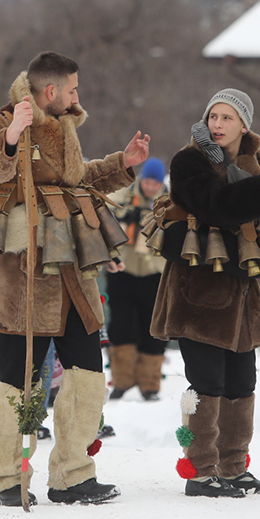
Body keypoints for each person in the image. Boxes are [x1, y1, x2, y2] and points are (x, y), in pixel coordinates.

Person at [0, 51, 150, 506]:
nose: (77, 97)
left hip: (73, 271)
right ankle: (9, 478)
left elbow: (77, 181)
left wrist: (121, 166)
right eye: (72, 89)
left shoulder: (63, 127)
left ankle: (72, 475)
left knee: (88, 371)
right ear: (50, 91)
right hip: (21, 275)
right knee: (16, 376)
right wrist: (10, 138)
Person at [150, 88, 260, 498]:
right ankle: (200, 472)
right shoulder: (189, 161)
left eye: (227, 118)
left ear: (244, 124)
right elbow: (218, 205)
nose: (217, 125)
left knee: (242, 382)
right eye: (213, 116)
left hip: (241, 294)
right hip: (197, 289)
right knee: (207, 382)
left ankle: (234, 467)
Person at [104, 157, 169, 400]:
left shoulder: (170, 203)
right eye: (149, 181)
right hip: (123, 271)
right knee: (120, 325)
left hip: (155, 273)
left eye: (156, 183)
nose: (152, 187)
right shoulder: (121, 197)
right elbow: (104, 223)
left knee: (153, 328)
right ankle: (121, 381)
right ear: (142, 179)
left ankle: (149, 384)